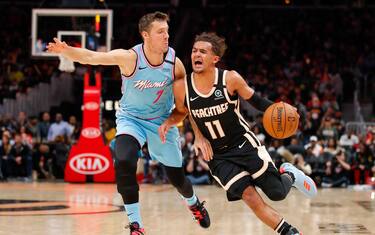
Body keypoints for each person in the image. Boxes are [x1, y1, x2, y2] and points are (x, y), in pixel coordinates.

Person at [47, 11, 210, 234]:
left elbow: (184, 109)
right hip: (131, 119)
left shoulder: (175, 65)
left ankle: (193, 203)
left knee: (178, 179)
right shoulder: (130, 58)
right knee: (123, 161)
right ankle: (136, 225)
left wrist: (178, 126)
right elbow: (93, 57)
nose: (166, 36)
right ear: (145, 35)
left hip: (162, 122)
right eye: (160, 32)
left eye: (167, 32)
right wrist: (67, 51)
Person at [159, 32, 317, 235]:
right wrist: (171, 123)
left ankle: (288, 173)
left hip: (243, 144)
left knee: (277, 193)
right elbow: (184, 112)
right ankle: (289, 232)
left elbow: (258, 102)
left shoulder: (230, 79)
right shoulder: (181, 87)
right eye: (194, 51)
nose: (196, 54)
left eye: (203, 52)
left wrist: (285, 109)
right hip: (217, 156)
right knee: (250, 197)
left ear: (215, 59)